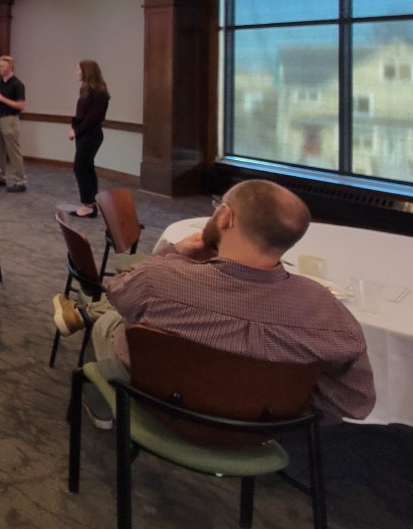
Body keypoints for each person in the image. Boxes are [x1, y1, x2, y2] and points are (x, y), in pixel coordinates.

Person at [53, 179, 375, 426]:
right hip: (260, 429)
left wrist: (173, 254)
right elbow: (354, 402)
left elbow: (118, 293)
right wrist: (275, 405)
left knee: (112, 320)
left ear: (225, 218)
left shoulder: (159, 279)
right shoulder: (334, 318)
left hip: (158, 403)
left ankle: (100, 402)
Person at [68, 60, 110, 218]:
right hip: (83, 134)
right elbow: (81, 115)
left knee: (80, 167)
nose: (76, 72)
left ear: (87, 71)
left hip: (91, 134)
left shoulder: (100, 93)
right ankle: (91, 204)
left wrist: (77, 130)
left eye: (78, 69)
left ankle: (87, 205)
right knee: (87, 167)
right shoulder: (86, 90)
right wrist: (74, 128)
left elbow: (92, 118)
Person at [0, 54, 27, 193]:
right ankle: (0, 177)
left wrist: (2, 99)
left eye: (2, 66)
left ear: (10, 67)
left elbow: (21, 105)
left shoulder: (17, 84)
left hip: (10, 119)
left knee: (13, 150)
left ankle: (20, 181)